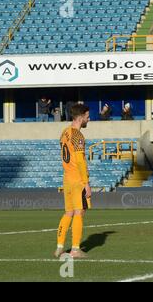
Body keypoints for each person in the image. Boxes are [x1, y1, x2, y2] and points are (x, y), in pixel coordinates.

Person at [55, 104, 91, 259]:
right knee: (79, 212)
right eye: (87, 116)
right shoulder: (77, 135)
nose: (89, 119)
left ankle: (59, 246)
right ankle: (75, 249)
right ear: (81, 116)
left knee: (68, 212)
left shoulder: (64, 133)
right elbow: (81, 161)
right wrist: (86, 182)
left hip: (67, 178)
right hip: (77, 179)